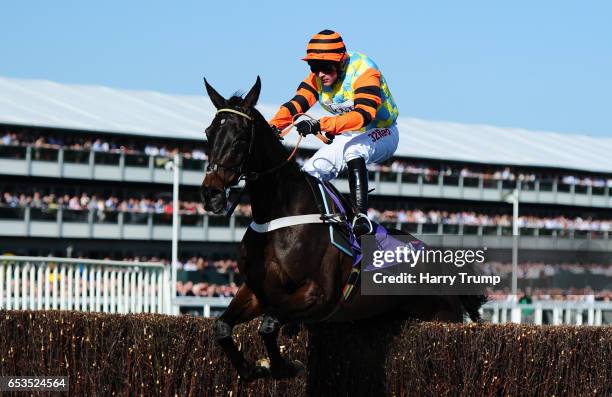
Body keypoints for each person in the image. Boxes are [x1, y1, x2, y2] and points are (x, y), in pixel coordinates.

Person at [269, 30, 399, 237]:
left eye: (325, 67)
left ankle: (361, 217)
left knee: (354, 150)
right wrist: (272, 127)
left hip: (382, 131)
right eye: (314, 67)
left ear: (341, 61)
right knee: (309, 173)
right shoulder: (316, 78)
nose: (319, 73)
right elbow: (296, 104)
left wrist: (320, 124)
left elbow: (363, 116)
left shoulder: (365, 70)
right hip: (349, 135)